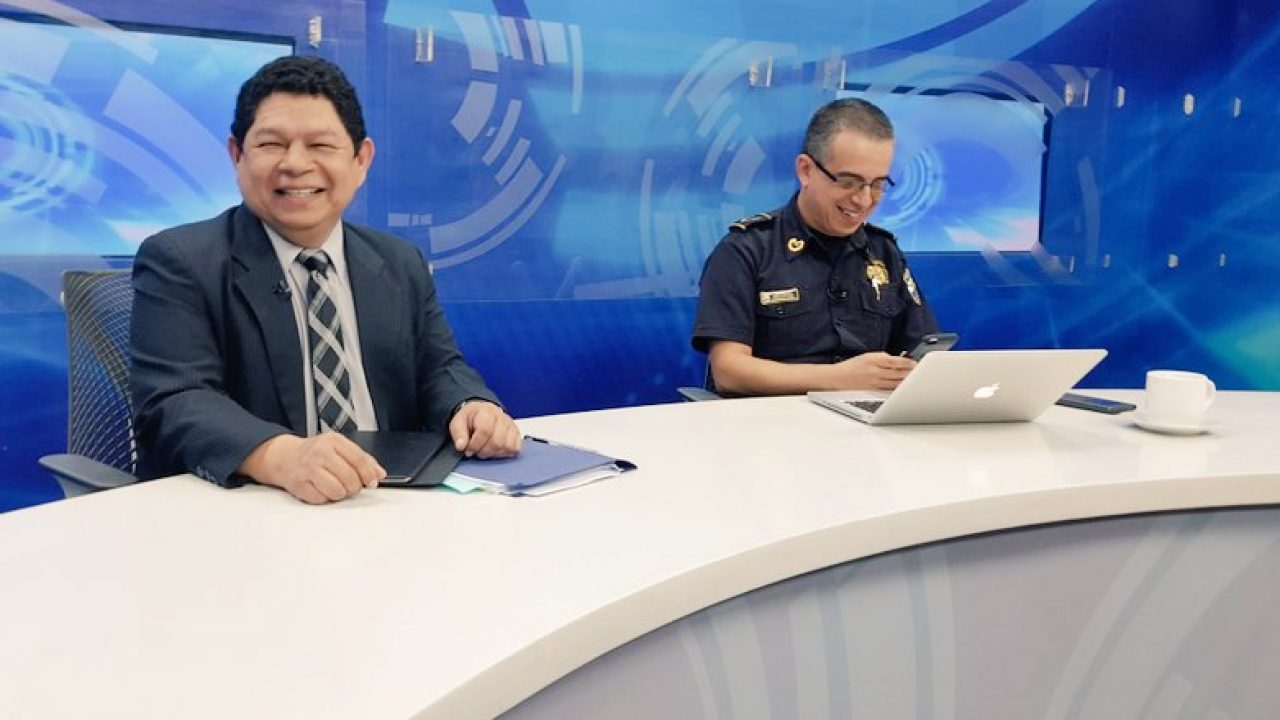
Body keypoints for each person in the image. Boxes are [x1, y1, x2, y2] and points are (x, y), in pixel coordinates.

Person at [130, 56, 521, 504]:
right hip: (250, 511)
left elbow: (439, 368)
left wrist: (471, 405)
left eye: (320, 145)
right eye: (272, 144)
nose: (296, 164)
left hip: (387, 503)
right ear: (237, 155)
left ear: (361, 160)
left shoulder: (398, 262)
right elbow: (175, 401)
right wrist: (280, 456)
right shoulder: (180, 260)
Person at [691, 97, 938, 396]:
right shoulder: (747, 250)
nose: (863, 200)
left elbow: (925, 350)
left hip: (865, 418)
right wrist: (837, 378)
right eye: (848, 182)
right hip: (768, 419)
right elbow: (729, 371)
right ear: (806, 170)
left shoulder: (884, 253)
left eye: (877, 185)